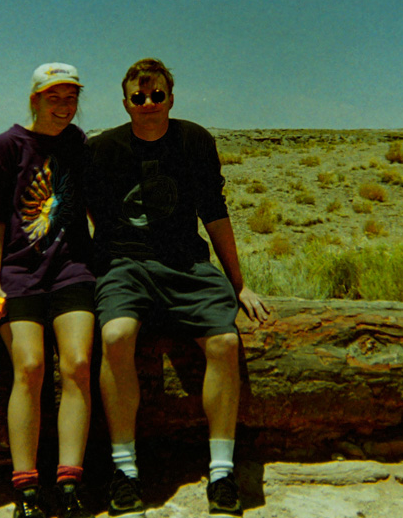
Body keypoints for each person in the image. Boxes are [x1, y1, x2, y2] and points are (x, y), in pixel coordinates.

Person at [85, 58, 270, 518]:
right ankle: (124, 470)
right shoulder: (103, 149)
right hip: (126, 264)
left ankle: (222, 471)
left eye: (157, 96)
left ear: (172, 96)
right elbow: (77, 211)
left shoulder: (193, 141)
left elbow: (214, 210)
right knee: (114, 337)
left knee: (226, 342)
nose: (148, 105)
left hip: (187, 262)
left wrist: (238, 284)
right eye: (138, 97)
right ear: (125, 102)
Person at [0, 63, 96, 518]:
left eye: (70, 97)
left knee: (79, 363)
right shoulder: (8, 145)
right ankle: (25, 488)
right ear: (35, 100)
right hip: (20, 272)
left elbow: (91, 203)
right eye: (53, 97)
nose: (64, 106)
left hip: (71, 270)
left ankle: (69, 483)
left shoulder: (79, 145)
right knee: (30, 366)